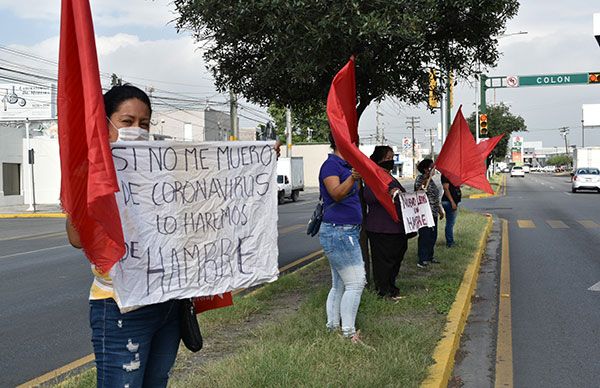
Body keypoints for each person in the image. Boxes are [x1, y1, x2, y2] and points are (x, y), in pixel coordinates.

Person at [66, 85, 180, 388]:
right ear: (105, 123)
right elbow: (77, 238)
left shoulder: (163, 167)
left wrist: (259, 156)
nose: (137, 130)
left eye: (144, 124)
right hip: (120, 306)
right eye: (127, 122)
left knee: (157, 381)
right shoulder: (88, 172)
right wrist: (88, 183)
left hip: (167, 301)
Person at [318, 133, 366, 342]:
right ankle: (348, 334)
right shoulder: (331, 166)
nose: (356, 146)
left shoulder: (346, 166)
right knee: (356, 283)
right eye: (353, 142)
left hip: (346, 231)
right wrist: (353, 178)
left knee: (339, 284)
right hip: (339, 232)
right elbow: (336, 193)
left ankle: (333, 326)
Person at [363, 146, 408, 300]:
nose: (391, 161)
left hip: (397, 227)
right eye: (387, 158)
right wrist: (388, 195)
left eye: (392, 157)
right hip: (380, 228)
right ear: (378, 160)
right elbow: (370, 197)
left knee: (396, 258)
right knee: (383, 262)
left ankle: (391, 286)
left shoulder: (390, 177)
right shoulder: (373, 178)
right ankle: (383, 291)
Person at [414, 159, 444, 268]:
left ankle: (430, 256)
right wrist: (425, 179)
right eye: (432, 167)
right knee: (425, 236)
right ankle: (422, 259)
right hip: (424, 213)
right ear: (426, 169)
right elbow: (418, 192)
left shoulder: (431, 181)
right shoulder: (421, 179)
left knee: (433, 235)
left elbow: (435, 197)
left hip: (433, 212)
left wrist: (440, 210)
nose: (434, 169)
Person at [441, 174, 461, 248]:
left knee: (451, 223)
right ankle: (450, 242)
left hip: (452, 202)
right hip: (448, 202)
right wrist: (452, 202)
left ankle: (450, 241)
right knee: (450, 223)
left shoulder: (452, 174)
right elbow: (446, 188)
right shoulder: (445, 175)